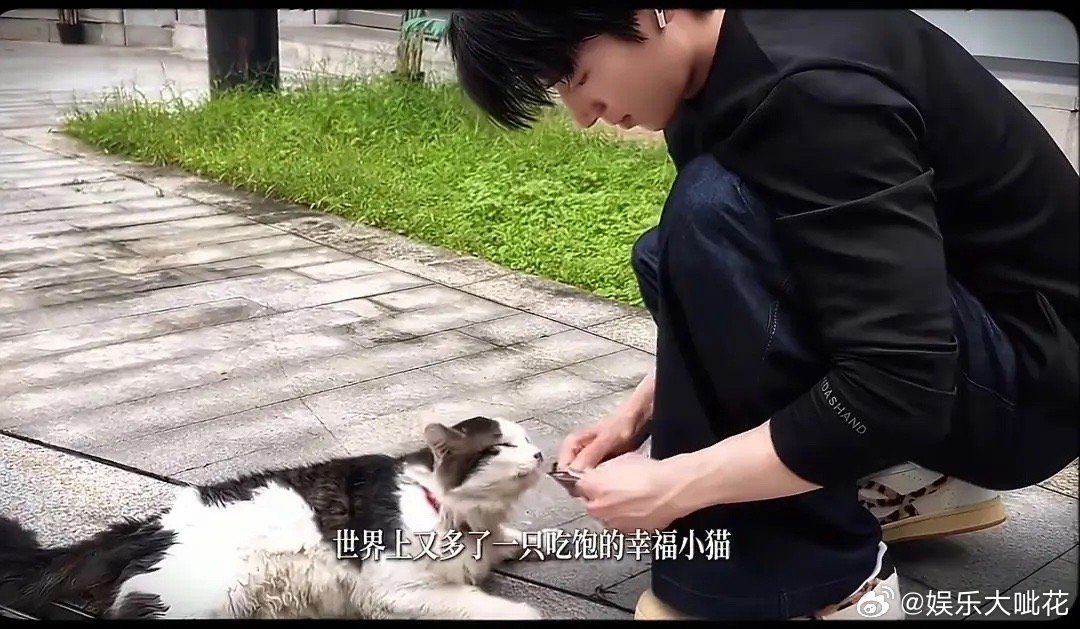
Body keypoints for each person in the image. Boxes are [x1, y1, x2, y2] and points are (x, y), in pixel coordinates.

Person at [444, 9, 1079, 620]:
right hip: (961, 343)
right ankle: (908, 475)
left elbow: (899, 383)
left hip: (1035, 395)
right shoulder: (714, 68)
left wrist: (676, 484)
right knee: (673, 251)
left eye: (576, 76)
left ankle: (824, 585)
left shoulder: (812, 89)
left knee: (713, 214)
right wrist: (636, 414)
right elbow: (789, 277)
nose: (583, 114)